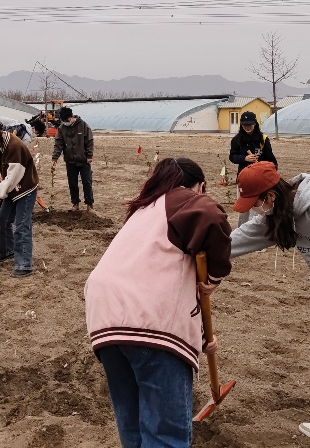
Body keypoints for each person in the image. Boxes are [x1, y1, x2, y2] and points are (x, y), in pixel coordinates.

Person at [85, 158, 231, 448]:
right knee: (166, 434)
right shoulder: (183, 199)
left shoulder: (144, 210)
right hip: (148, 321)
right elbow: (212, 215)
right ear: (199, 186)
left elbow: (161, 282)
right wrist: (216, 275)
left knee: (133, 423)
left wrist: (203, 339)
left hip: (104, 315)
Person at [228, 161, 310, 439]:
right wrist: (198, 252)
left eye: (255, 203)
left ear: (269, 196)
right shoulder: (282, 214)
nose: (255, 209)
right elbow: (236, 241)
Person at [0, 127, 40, 276]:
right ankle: (7, 250)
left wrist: (1, 191)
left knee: (21, 226)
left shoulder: (14, 146)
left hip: (25, 188)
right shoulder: (1, 144)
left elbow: (13, 177)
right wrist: (0, 171)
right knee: (3, 221)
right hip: (13, 189)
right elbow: (1, 165)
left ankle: (24, 265)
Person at [229, 110, 278, 226]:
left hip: (260, 180)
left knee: (258, 208)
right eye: (245, 125)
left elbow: (271, 160)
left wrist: (263, 167)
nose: (247, 127)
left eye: (250, 124)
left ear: (255, 124)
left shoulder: (263, 139)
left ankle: (259, 229)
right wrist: (244, 158)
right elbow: (232, 157)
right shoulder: (236, 140)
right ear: (241, 125)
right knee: (244, 209)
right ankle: (242, 229)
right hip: (244, 178)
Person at [52, 106, 96, 213]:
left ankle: (89, 204)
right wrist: (55, 157)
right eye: (64, 121)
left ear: (72, 116)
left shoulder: (83, 125)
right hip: (70, 160)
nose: (66, 123)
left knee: (87, 182)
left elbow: (89, 140)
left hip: (83, 160)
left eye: (67, 120)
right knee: (72, 183)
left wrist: (89, 156)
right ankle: (75, 203)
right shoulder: (62, 128)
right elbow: (58, 143)